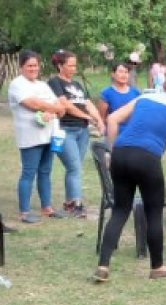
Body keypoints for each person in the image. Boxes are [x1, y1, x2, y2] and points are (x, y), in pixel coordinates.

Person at [93, 70, 166, 282]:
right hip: (147, 157)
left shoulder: (144, 97)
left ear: (165, 85)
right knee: (154, 213)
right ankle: (157, 267)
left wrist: (112, 151)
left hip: (121, 153)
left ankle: (103, 265)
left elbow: (113, 118)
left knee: (120, 210)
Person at [8, 50, 67, 224]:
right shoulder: (17, 84)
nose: (33, 69)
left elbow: (61, 106)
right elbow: (32, 103)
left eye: (36, 65)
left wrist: (53, 109)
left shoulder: (42, 85)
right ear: (21, 67)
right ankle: (24, 212)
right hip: (30, 136)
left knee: (45, 172)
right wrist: (52, 108)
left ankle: (47, 207)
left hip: (48, 136)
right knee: (28, 172)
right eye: (29, 66)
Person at [48, 49, 105, 218]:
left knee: (74, 168)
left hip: (82, 131)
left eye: (75, 65)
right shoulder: (54, 82)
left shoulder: (77, 85)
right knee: (75, 168)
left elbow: (87, 103)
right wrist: (87, 116)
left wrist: (99, 120)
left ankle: (69, 202)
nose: (74, 68)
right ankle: (76, 205)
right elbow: (65, 105)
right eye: (70, 65)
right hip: (65, 129)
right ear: (60, 65)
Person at [97, 62, 142, 132]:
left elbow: (140, 114)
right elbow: (102, 117)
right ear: (113, 74)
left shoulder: (136, 92)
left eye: (126, 72)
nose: (123, 75)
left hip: (133, 132)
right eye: (120, 72)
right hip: (114, 132)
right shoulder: (107, 93)